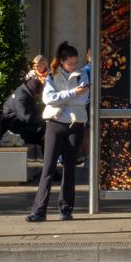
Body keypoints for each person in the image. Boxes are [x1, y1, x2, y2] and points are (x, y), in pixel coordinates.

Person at [27, 41, 88, 222]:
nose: (73, 66)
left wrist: (63, 97)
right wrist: (72, 93)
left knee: (70, 168)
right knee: (48, 168)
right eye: (70, 63)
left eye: (75, 62)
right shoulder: (52, 76)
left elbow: (84, 98)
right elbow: (48, 99)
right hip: (55, 123)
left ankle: (66, 209)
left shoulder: (82, 74)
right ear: (62, 61)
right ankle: (39, 211)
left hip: (75, 124)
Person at [2, 55, 48, 152]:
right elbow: (27, 118)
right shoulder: (21, 97)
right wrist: (44, 119)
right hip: (14, 131)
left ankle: (52, 157)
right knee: (47, 131)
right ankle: (51, 158)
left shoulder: (27, 93)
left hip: (21, 127)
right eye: (37, 95)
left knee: (49, 130)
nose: (37, 97)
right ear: (34, 92)